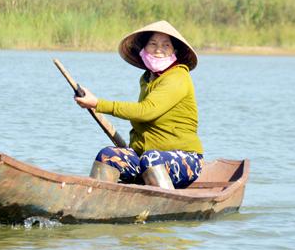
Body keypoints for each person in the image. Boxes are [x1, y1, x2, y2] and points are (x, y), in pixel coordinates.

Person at [74, 20, 204, 189]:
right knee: (108, 155)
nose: (159, 50)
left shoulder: (178, 77)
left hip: (185, 160)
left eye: (166, 45)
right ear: (143, 49)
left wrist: (98, 103)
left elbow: (146, 111)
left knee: (151, 158)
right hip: (145, 159)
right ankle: (93, 202)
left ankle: (163, 205)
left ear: (174, 51)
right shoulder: (146, 79)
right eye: (153, 44)